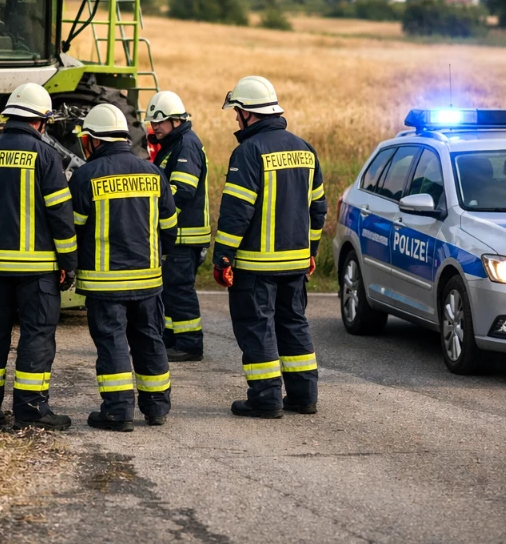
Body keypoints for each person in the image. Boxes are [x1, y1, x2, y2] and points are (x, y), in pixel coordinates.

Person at [212, 76, 326, 418]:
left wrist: (223, 258)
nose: (235, 119)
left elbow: (236, 212)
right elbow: (317, 208)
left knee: (257, 327)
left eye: (237, 113)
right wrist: (311, 252)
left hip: (256, 267)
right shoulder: (304, 149)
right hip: (294, 264)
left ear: (249, 113)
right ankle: (304, 396)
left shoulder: (248, 152)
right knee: (294, 325)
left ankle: (265, 399)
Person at [0, 83, 78, 430]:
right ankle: (31, 410)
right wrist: (68, 264)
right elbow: (61, 216)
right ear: (41, 122)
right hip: (38, 271)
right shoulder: (46, 157)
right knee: (36, 336)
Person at [70, 103, 178, 431]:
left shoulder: (86, 176)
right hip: (148, 279)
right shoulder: (152, 172)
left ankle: (118, 411)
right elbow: (170, 226)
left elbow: (73, 228)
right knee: (149, 338)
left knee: (113, 341)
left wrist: (69, 265)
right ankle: (156, 407)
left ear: (93, 140)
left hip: (105, 283)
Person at [145, 91, 210, 362]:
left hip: (185, 234)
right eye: (153, 122)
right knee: (171, 287)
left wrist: (158, 215)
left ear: (175, 120)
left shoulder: (186, 145)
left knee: (180, 289)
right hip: (178, 234)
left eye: (160, 122)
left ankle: (190, 343)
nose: (155, 127)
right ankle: (172, 338)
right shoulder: (175, 144)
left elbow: (181, 190)